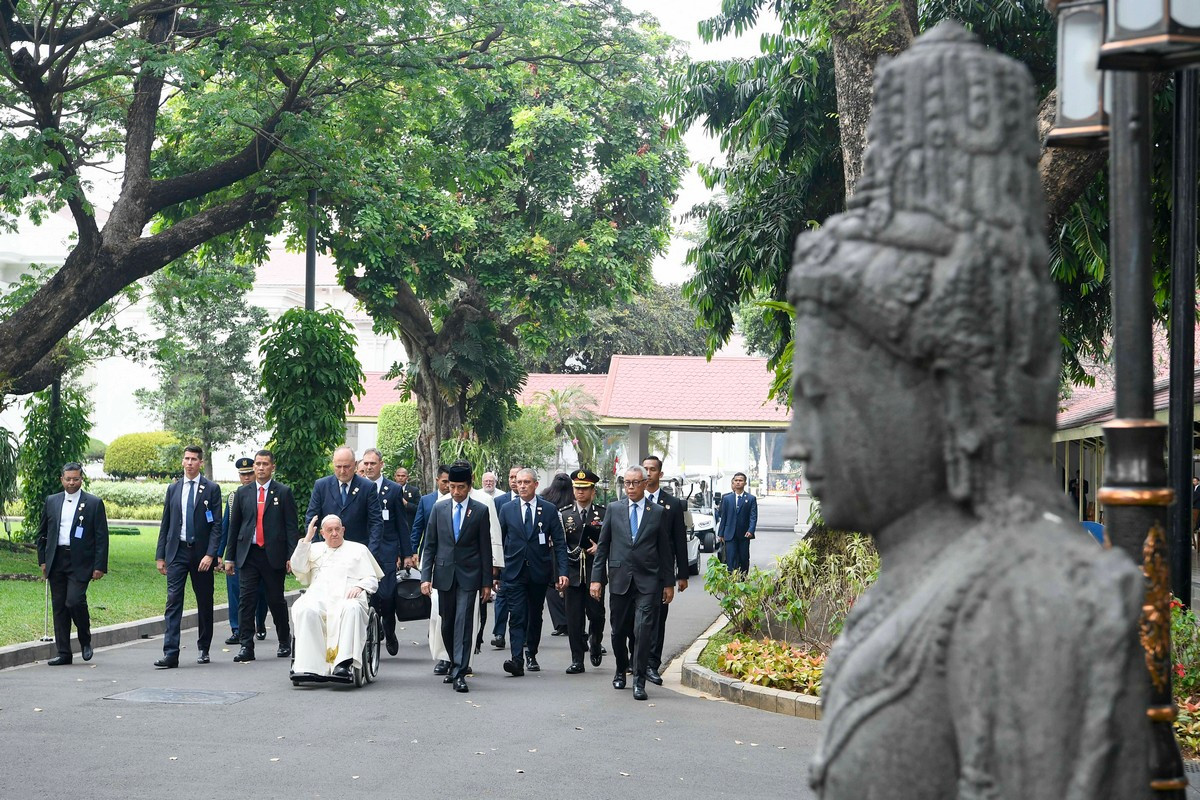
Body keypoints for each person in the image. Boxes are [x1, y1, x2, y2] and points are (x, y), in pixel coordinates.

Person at [785, 25, 1148, 797]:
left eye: (821, 399)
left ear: (945, 389)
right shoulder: (910, 589)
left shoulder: (1031, 603)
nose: (796, 445)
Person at [590, 465, 674, 701]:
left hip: (648, 582)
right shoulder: (614, 510)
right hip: (619, 580)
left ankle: (639, 680)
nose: (630, 487)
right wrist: (597, 579)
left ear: (645, 483)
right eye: (626, 483)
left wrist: (669, 583)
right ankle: (620, 669)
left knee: (643, 630)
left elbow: (665, 551)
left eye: (635, 483)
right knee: (618, 632)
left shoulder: (656, 512)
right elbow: (603, 546)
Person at [420, 462, 494, 692]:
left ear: (469, 486)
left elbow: (485, 549)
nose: (456, 492)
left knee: (463, 622)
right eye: (452, 486)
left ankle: (461, 671)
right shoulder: (439, 509)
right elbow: (430, 545)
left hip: (470, 576)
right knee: (447, 623)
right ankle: (453, 662)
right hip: (443, 575)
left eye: (461, 487)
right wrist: (425, 576)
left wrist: (486, 583)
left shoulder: (480, 511)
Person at [224, 449, 299, 662]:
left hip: (272, 555)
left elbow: (291, 527)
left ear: (272, 467)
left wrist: (291, 556)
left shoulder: (283, 492)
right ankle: (246, 646)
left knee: (275, 600)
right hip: (248, 555)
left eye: (265, 464)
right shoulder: (242, 493)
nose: (260, 468)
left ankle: (284, 640)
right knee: (246, 601)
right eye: (258, 464)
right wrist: (230, 557)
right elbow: (234, 526)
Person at [290, 515, 384, 679]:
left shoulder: (359, 549)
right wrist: (307, 539)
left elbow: (372, 578)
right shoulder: (313, 548)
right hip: (319, 595)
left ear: (343, 530)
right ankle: (309, 666)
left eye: (337, 529)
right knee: (304, 609)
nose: (334, 533)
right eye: (329, 530)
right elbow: (297, 567)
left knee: (352, 608)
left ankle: (343, 663)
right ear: (322, 533)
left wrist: (360, 586)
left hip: (347, 595)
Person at [154, 445, 222, 668]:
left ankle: (204, 648)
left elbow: (216, 525)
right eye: (186, 459)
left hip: (201, 554)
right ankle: (171, 652)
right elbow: (166, 523)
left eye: (194, 459)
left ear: (201, 463)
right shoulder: (174, 489)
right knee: (173, 600)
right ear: (182, 462)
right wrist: (161, 555)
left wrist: (211, 554)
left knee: (204, 601)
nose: (190, 462)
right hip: (178, 552)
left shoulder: (211, 489)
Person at [36, 462, 109, 666]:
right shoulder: (52, 501)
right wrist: (43, 560)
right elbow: (42, 534)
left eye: (75, 479)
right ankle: (64, 653)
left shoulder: (94, 503)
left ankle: (85, 639)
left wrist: (99, 565)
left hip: (80, 561)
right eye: (68, 479)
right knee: (59, 607)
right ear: (62, 479)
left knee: (74, 601)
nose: (71, 483)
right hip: (56, 559)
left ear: (81, 479)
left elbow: (101, 537)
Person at [497, 468, 567, 676]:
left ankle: (532, 653)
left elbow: (560, 543)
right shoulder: (507, 509)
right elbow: (499, 542)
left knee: (534, 614)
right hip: (514, 571)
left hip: (538, 571)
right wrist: (495, 573)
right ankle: (516, 659)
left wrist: (561, 572)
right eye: (519, 482)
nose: (522, 486)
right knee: (517, 615)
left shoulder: (548, 509)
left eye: (527, 482)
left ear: (536, 485)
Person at [640, 456, 689, 685]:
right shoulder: (631, 501)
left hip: (661, 571)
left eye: (652, 469)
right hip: (636, 570)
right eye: (645, 469)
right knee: (634, 619)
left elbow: (679, 540)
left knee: (657, 619)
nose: (648, 473)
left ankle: (651, 664)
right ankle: (635, 661)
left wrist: (682, 575)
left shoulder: (672, 504)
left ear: (660, 474)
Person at [359, 447, 411, 655]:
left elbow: (401, 524)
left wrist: (407, 553)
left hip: (387, 550)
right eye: (366, 463)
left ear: (381, 465)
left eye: (373, 463)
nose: (369, 467)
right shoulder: (358, 487)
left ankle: (389, 631)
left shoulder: (393, 490)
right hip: (364, 550)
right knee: (367, 596)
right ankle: (371, 632)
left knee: (388, 596)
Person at [561, 469, 606, 673]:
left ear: (593, 491)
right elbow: (560, 547)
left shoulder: (603, 513)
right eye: (577, 488)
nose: (581, 492)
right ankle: (576, 659)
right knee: (574, 618)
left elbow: (614, 541)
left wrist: (601, 548)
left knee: (596, 615)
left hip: (594, 572)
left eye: (585, 488)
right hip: (572, 574)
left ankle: (595, 642)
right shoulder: (564, 514)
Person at [219, 457, 268, 645]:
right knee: (234, 591)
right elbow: (227, 527)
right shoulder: (234, 497)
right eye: (243, 475)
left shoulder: (263, 494)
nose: (246, 478)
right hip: (237, 551)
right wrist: (220, 554)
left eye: (249, 474)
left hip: (257, 551)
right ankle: (237, 629)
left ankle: (260, 622)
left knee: (260, 592)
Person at [408, 465, 452, 674]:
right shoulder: (427, 501)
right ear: (437, 480)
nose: (447, 486)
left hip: (454, 562)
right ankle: (439, 645)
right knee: (434, 603)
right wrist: (413, 551)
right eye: (444, 482)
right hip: (431, 557)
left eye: (450, 482)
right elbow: (418, 527)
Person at [306, 446, 382, 549]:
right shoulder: (321, 486)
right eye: (338, 466)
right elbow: (312, 520)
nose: (342, 471)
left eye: (346, 466)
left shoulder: (367, 487)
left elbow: (376, 523)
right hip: (328, 550)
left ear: (355, 465)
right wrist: (317, 548)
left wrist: (370, 553)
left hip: (358, 550)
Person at [489, 466, 520, 649]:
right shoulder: (500, 501)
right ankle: (499, 633)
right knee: (502, 597)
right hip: (504, 559)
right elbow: (495, 532)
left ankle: (520, 634)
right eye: (511, 477)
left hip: (523, 561)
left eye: (517, 477)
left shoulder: (538, 503)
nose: (514, 481)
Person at [540, 472, 574, 637]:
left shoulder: (545, 496)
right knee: (566, 582)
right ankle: (570, 620)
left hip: (549, 545)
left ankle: (561, 622)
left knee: (551, 586)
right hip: (568, 546)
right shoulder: (573, 499)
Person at [715, 472, 757, 573]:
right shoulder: (727, 499)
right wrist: (721, 533)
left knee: (744, 559)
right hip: (729, 534)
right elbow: (724, 517)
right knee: (730, 559)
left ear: (745, 483)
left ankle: (743, 580)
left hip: (744, 534)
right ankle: (731, 581)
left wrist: (751, 530)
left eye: (740, 480)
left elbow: (753, 517)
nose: (738, 482)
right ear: (733, 482)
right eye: (736, 480)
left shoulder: (751, 499)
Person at [394, 466, 420, 539]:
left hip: (409, 525)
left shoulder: (414, 490)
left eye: (403, 476)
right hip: (393, 525)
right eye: (398, 476)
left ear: (407, 477)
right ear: (395, 477)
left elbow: (419, 508)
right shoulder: (390, 489)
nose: (400, 478)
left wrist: (406, 504)